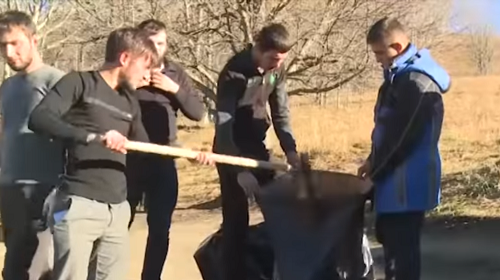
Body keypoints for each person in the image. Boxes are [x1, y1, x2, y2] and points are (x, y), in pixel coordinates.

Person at [27, 27, 159, 280]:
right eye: (145, 65)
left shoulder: (129, 100)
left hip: (118, 209)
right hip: (78, 205)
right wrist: (92, 137)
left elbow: (144, 147)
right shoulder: (79, 82)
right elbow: (39, 118)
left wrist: (195, 156)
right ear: (124, 58)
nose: (148, 73)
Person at [358, 17, 450, 280]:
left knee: (401, 260)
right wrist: (370, 159)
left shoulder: (416, 82)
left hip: (406, 184)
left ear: (396, 47)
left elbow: (403, 139)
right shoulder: (397, 77)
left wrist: (374, 176)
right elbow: (386, 130)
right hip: (393, 181)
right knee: (391, 242)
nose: (377, 59)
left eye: (379, 52)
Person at [213, 22, 301, 280]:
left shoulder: (277, 71)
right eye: (273, 59)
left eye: (282, 60)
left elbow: (281, 112)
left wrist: (291, 151)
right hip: (230, 149)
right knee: (236, 222)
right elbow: (224, 127)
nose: (277, 64)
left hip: (258, 148)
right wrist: (238, 170)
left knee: (281, 207)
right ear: (259, 50)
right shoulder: (233, 73)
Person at [126, 19, 207, 280]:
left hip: (164, 160)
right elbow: (103, 105)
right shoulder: (127, 70)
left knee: (160, 228)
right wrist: (131, 85)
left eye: (161, 43)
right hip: (129, 160)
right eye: (150, 43)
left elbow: (197, 113)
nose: (156, 48)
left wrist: (174, 89)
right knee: (116, 225)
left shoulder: (175, 72)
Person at [0, 10, 65, 280]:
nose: (9, 51)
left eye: (15, 43)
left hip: (44, 189)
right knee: (13, 266)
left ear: (34, 41)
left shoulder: (57, 81)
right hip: (9, 189)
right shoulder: (7, 86)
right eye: (3, 45)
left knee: (39, 269)